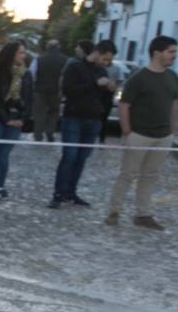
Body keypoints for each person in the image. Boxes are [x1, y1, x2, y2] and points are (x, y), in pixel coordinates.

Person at [105, 35, 177, 230]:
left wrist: (173, 129)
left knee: (150, 175)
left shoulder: (172, 76)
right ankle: (114, 211)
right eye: (171, 52)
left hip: (163, 136)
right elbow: (124, 105)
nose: (174, 56)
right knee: (127, 174)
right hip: (139, 134)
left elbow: (174, 103)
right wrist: (128, 131)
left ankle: (143, 214)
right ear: (157, 53)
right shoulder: (138, 78)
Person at [51, 40, 118, 208]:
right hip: (74, 117)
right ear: (97, 52)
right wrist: (94, 84)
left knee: (82, 158)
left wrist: (110, 88)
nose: (107, 63)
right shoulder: (75, 67)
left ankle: (71, 192)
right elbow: (69, 91)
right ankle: (59, 193)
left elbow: (102, 97)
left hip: (93, 119)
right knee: (69, 156)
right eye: (105, 59)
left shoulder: (102, 71)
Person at [0, 41, 33, 198]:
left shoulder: (26, 74)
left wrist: (22, 118)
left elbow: (29, 98)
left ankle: (1, 185)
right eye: (20, 52)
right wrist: (6, 119)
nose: (24, 56)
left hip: (15, 117)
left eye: (24, 52)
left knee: (5, 153)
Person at [33, 39, 67, 142]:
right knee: (54, 112)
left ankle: (38, 134)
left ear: (47, 46)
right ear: (59, 47)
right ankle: (50, 131)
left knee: (39, 113)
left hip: (40, 89)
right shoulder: (65, 59)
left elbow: (32, 74)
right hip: (56, 90)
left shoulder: (39, 59)